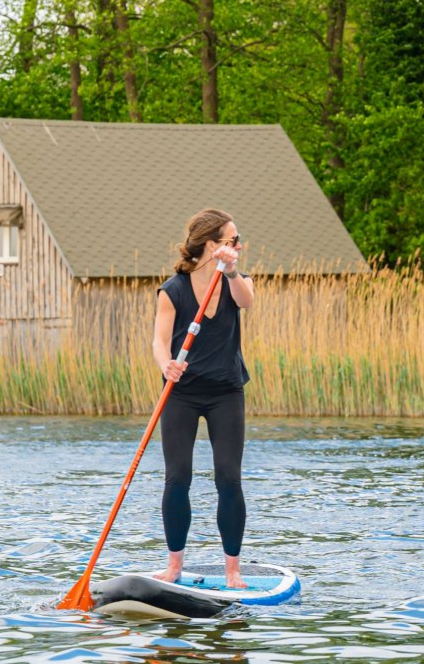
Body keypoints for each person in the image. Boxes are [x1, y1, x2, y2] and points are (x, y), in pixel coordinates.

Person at [151, 208, 256, 588]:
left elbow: (246, 302)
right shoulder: (173, 290)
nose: (239, 245)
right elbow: (160, 342)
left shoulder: (235, 280)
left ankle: (232, 569)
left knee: (228, 478)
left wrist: (229, 272)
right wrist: (167, 366)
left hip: (226, 391)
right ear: (212, 244)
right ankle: (174, 566)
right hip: (181, 393)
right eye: (232, 239)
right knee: (178, 477)